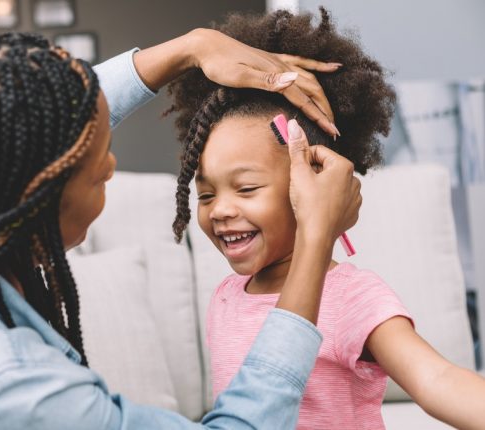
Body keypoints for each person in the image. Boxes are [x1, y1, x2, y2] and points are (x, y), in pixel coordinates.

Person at [0, 29, 360, 429]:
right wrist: (316, 236)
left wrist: (190, 48)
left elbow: (26, 123)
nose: (111, 166)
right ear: (36, 200)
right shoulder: (4, 386)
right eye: (98, 168)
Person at [168, 8, 485, 430]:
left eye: (246, 189)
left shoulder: (351, 296)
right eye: (206, 194)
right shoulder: (227, 295)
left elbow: (436, 379)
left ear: (312, 182)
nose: (220, 209)